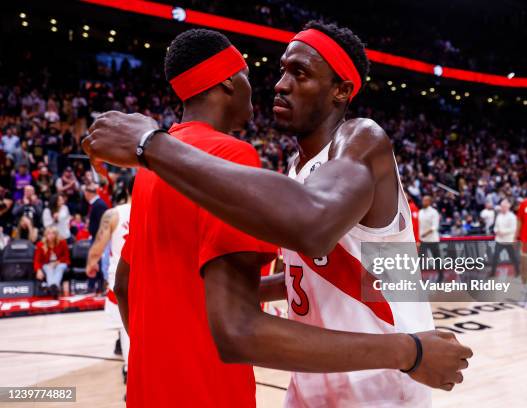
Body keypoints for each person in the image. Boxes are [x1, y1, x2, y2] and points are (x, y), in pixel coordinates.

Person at [84, 25, 471, 407]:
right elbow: (309, 273)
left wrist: (150, 145)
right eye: (282, 70)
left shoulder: (362, 140)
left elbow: (315, 225)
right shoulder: (292, 170)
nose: (280, 84)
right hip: (310, 382)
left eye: (299, 73)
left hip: (378, 387)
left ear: (342, 90)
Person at [86, 177, 132, 387]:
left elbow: (97, 247)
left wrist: (91, 264)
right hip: (150, 278)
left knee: (126, 329)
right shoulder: (155, 211)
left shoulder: (113, 214)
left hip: (121, 279)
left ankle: (130, 370)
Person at [84, 183, 108, 293]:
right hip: (95, 238)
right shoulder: (96, 204)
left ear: (88, 193)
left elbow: (103, 224)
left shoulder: (99, 205)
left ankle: (99, 286)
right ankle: (93, 286)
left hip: (98, 239)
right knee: (94, 262)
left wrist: (100, 239)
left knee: (97, 262)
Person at [34, 226, 70, 298]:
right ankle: (55, 288)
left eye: (53, 233)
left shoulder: (62, 242)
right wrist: (38, 270)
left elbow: (67, 257)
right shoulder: (41, 245)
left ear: (56, 234)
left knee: (59, 268)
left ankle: (52, 287)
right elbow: (37, 260)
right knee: (48, 268)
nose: (50, 235)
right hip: (47, 264)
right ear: (45, 235)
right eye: (48, 233)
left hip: (61, 263)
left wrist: (57, 262)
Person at [490, 199, 520, 277]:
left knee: (513, 257)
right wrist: (496, 231)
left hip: (509, 241)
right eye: (501, 206)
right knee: (495, 257)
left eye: (504, 206)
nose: (502, 207)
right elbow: (495, 226)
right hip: (499, 241)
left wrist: (502, 232)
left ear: (508, 206)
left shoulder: (512, 216)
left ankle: (518, 271)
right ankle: (492, 273)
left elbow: (513, 228)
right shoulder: (499, 216)